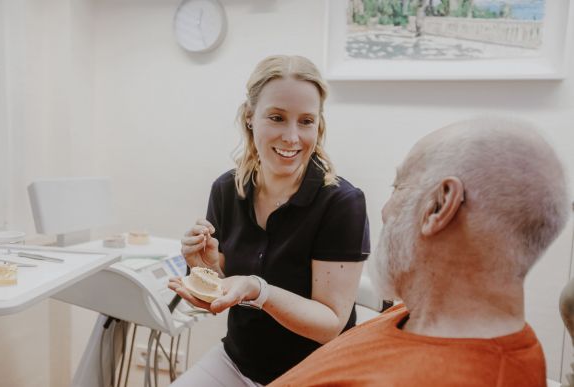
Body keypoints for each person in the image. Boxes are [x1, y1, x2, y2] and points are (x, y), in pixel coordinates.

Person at [269, 117, 570, 387]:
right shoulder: (425, 311)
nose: (385, 211)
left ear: (439, 206)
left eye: (398, 187)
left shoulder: (452, 374)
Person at [168, 55, 370, 386]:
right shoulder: (226, 189)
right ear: (250, 117)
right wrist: (204, 269)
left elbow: (331, 324)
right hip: (237, 363)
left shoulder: (341, 203)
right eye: (277, 117)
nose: (292, 137)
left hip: (315, 373)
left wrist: (258, 291)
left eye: (306, 121)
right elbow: (218, 295)